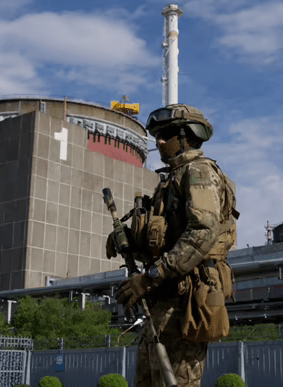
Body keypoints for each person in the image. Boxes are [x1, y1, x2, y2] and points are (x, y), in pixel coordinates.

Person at [106, 104, 238, 386]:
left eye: (166, 134)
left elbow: (203, 232)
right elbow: (166, 243)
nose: (159, 141)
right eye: (157, 135)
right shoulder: (171, 179)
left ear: (187, 137)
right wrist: (130, 241)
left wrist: (151, 275)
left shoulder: (199, 172)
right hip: (163, 300)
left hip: (186, 301)